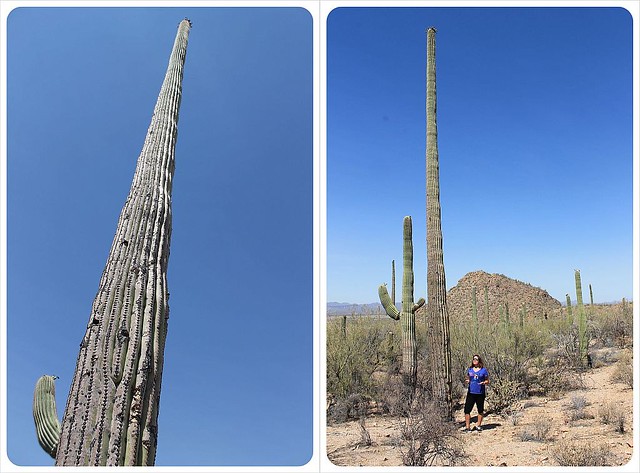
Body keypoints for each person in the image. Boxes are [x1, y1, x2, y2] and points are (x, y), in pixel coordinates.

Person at [463, 354, 489, 432]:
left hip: (480, 393)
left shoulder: (483, 370)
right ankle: (468, 427)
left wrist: (484, 382)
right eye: (473, 359)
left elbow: (487, 380)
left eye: (476, 359)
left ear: (479, 361)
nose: (475, 360)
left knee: (480, 409)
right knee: (467, 410)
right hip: (471, 392)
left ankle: (478, 425)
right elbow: (468, 378)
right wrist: (468, 381)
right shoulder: (470, 369)